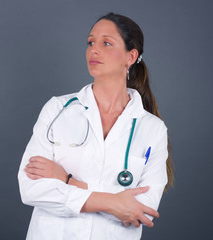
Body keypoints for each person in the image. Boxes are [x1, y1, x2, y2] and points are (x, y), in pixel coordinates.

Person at [18, 12, 174, 240]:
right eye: (91, 42)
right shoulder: (58, 109)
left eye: (106, 43)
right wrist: (113, 202)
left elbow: (141, 210)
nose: (94, 50)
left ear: (130, 57)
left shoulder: (153, 129)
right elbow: (31, 189)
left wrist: (67, 181)